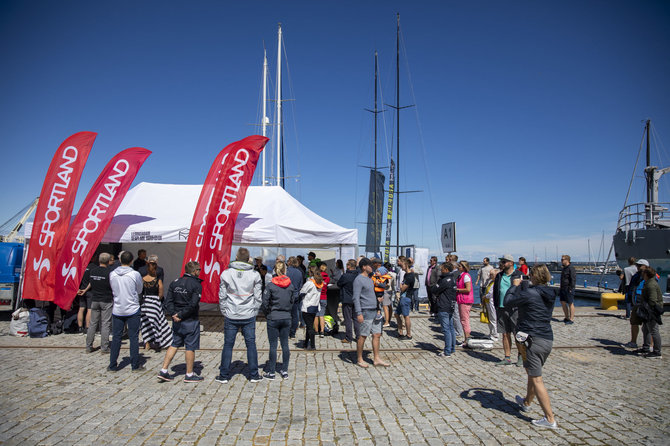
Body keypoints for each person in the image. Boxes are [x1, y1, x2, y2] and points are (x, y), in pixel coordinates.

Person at [505, 264, 558, 429]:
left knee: (537, 379)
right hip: (546, 338)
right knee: (531, 372)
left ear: (534, 276)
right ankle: (527, 402)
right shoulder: (548, 293)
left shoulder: (530, 293)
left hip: (532, 339)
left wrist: (514, 287)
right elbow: (533, 295)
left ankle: (550, 419)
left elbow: (508, 302)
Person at [216, 248, 263, 384]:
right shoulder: (255, 275)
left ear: (236, 257)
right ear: (249, 259)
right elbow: (258, 296)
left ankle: (224, 375)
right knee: (251, 344)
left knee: (228, 345)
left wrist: (224, 310)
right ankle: (254, 375)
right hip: (248, 313)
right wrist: (254, 310)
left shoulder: (226, 273)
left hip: (231, 313)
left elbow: (222, 295)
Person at [157, 261, 203, 382]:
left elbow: (169, 302)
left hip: (177, 319)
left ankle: (164, 370)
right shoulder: (196, 284)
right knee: (190, 346)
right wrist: (181, 315)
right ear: (194, 271)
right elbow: (193, 304)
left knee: (174, 343)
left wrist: (173, 314)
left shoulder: (175, 282)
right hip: (189, 319)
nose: (200, 272)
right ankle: (189, 374)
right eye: (199, 270)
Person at [108, 251, 144, 372]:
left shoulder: (112, 274)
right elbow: (139, 290)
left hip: (118, 308)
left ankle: (112, 365)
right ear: (131, 260)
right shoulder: (135, 274)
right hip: (132, 308)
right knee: (133, 337)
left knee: (116, 337)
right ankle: (135, 365)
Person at [260, 260, 294, 379]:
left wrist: (267, 314)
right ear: (285, 270)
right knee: (285, 344)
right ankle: (284, 370)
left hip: (273, 316)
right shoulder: (290, 285)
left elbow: (264, 302)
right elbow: (292, 300)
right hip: (286, 316)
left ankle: (272, 372)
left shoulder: (271, 285)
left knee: (273, 345)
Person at [353, 258, 390, 367]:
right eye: (370, 265)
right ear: (364, 267)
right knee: (363, 336)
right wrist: (358, 313)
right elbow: (355, 298)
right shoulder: (358, 280)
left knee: (377, 334)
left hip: (375, 310)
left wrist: (377, 299)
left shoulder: (371, 279)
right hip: (365, 311)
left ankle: (376, 358)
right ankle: (359, 359)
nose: (372, 267)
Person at [77, 252, 113, 353]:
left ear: (99, 260)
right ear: (108, 261)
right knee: (105, 324)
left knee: (93, 323)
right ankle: (104, 347)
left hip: (95, 299)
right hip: (106, 299)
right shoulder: (109, 272)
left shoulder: (93, 271)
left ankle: (88, 346)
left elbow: (91, 283)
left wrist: (85, 290)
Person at [494, 254, 523, 366]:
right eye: (502, 261)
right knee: (505, 334)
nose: (502, 264)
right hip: (501, 307)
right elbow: (497, 290)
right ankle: (507, 357)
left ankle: (521, 355)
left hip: (515, 308)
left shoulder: (519, 275)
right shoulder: (499, 275)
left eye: (504, 261)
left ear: (511, 263)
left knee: (517, 333)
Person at [140, 255, 172, 351]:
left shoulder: (142, 279)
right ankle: (158, 342)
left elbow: (140, 291)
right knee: (157, 323)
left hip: (145, 302)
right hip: (154, 303)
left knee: (145, 324)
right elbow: (161, 294)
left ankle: (147, 343)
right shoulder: (158, 280)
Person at [431, 262, 458, 357]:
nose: (440, 271)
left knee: (446, 329)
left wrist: (435, 286)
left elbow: (434, 290)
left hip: (444, 305)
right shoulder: (453, 279)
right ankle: (452, 348)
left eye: (442, 269)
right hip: (451, 305)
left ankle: (447, 351)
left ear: (446, 269)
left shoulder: (445, 280)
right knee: (451, 328)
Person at [624, 259, 650, 348]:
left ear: (645, 266)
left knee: (648, 325)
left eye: (640, 265)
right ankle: (633, 342)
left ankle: (649, 344)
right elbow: (632, 287)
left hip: (645, 303)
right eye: (637, 265)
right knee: (634, 322)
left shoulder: (650, 276)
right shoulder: (636, 275)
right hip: (636, 301)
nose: (637, 267)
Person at [639, 268, 663, 359]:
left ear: (646, 274)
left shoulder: (651, 285)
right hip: (648, 311)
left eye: (643, 273)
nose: (642, 275)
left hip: (651, 311)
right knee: (646, 329)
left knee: (653, 330)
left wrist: (647, 308)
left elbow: (653, 300)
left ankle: (657, 352)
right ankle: (646, 347)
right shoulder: (648, 283)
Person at [299, 265, 323, 350]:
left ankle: (312, 345)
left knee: (309, 327)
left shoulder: (309, 283)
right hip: (315, 305)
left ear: (310, 272)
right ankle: (306, 343)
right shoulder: (320, 282)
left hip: (307, 306)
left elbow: (302, 292)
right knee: (309, 325)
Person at [338, 259, 360, 343]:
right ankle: (358, 336)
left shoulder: (345, 276)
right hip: (357, 299)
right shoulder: (358, 275)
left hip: (347, 299)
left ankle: (349, 337)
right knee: (356, 318)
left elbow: (339, 284)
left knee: (347, 319)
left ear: (348, 266)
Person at [395, 258, 414, 340]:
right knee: (396, 314)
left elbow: (403, 288)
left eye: (402, 265)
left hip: (406, 297)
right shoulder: (406, 274)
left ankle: (409, 334)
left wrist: (400, 286)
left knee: (406, 316)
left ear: (406, 265)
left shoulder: (410, 276)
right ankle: (400, 331)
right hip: (403, 297)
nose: (401, 267)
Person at [456, 261, 474, 346]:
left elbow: (468, 289)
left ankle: (467, 338)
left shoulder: (466, 276)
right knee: (463, 319)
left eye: (459, 266)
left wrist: (458, 290)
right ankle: (466, 338)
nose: (458, 267)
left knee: (464, 320)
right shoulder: (461, 276)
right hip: (461, 299)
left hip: (465, 300)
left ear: (463, 267)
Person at [77, 255, 97, 333]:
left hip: (81, 290)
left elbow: (76, 279)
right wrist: (86, 289)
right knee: (89, 309)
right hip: (89, 291)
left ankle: (80, 327)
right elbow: (91, 281)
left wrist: (78, 289)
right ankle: (87, 327)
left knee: (81, 308)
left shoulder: (81, 266)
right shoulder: (94, 267)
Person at [286, 256, 304, 339]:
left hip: (286, 294)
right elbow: (301, 285)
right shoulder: (299, 272)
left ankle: (286, 331)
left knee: (286, 314)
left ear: (289, 262)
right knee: (295, 314)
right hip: (296, 294)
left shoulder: (286, 272)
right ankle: (293, 332)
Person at [483, 269, 500, 341]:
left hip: (492, 302)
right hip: (487, 302)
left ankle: (495, 334)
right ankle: (491, 333)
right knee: (490, 318)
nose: (490, 276)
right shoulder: (490, 282)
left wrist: (485, 296)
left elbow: (491, 293)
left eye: (491, 275)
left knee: (493, 318)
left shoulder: (496, 283)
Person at [559, 255, 576, 324]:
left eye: (562, 259)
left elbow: (573, 279)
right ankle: (566, 317)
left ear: (567, 260)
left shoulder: (571, 268)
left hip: (568, 288)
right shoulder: (564, 268)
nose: (561, 261)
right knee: (562, 302)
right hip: (563, 287)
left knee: (570, 303)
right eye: (561, 259)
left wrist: (571, 288)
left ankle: (571, 319)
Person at [315, 262, 330, 337]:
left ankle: (316, 331)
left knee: (316, 315)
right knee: (322, 315)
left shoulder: (316, 277)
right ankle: (322, 331)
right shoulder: (327, 278)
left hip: (317, 297)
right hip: (324, 297)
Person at [382, 262, 396, 327]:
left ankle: (386, 321)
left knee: (385, 306)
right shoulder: (393, 274)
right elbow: (393, 284)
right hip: (391, 291)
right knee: (390, 306)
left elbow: (388, 284)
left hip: (386, 290)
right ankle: (389, 319)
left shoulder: (387, 275)